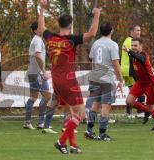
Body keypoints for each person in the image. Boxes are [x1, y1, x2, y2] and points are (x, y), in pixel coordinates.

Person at [38, 0, 100, 154]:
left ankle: (73, 145)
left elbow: (41, 29)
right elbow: (92, 34)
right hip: (68, 80)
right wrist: (96, 16)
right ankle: (61, 141)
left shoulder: (51, 38)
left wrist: (41, 9)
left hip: (56, 82)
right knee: (80, 114)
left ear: (58, 24)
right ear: (70, 25)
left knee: (70, 114)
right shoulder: (71, 40)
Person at [84, 21, 123, 141]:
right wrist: (120, 80)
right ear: (111, 31)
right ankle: (102, 133)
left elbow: (92, 58)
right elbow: (116, 63)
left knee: (95, 104)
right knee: (105, 107)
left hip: (95, 78)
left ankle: (89, 130)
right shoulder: (113, 45)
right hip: (107, 79)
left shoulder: (95, 43)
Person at [23, 21, 57, 134]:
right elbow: (37, 56)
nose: (42, 29)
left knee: (33, 97)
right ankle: (40, 122)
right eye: (39, 28)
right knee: (48, 96)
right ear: (35, 30)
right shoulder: (37, 40)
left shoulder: (37, 40)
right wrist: (43, 71)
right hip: (37, 72)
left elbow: (39, 56)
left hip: (34, 72)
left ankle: (28, 122)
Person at [123, 38, 154, 131]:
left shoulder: (143, 55)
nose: (133, 47)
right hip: (141, 82)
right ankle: (147, 111)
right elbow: (136, 69)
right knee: (129, 101)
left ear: (141, 46)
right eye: (132, 45)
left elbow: (141, 59)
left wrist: (129, 51)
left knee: (151, 107)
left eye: (136, 45)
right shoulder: (133, 56)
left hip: (150, 84)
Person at [121, 25, 146, 119]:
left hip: (125, 69)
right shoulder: (130, 41)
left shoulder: (127, 40)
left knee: (132, 91)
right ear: (131, 31)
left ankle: (128, 112)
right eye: (137, 30)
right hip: (130, 69)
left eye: (140, 30)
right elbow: (134, 55)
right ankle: (140, 112)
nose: (139, 32)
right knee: (140, 89)